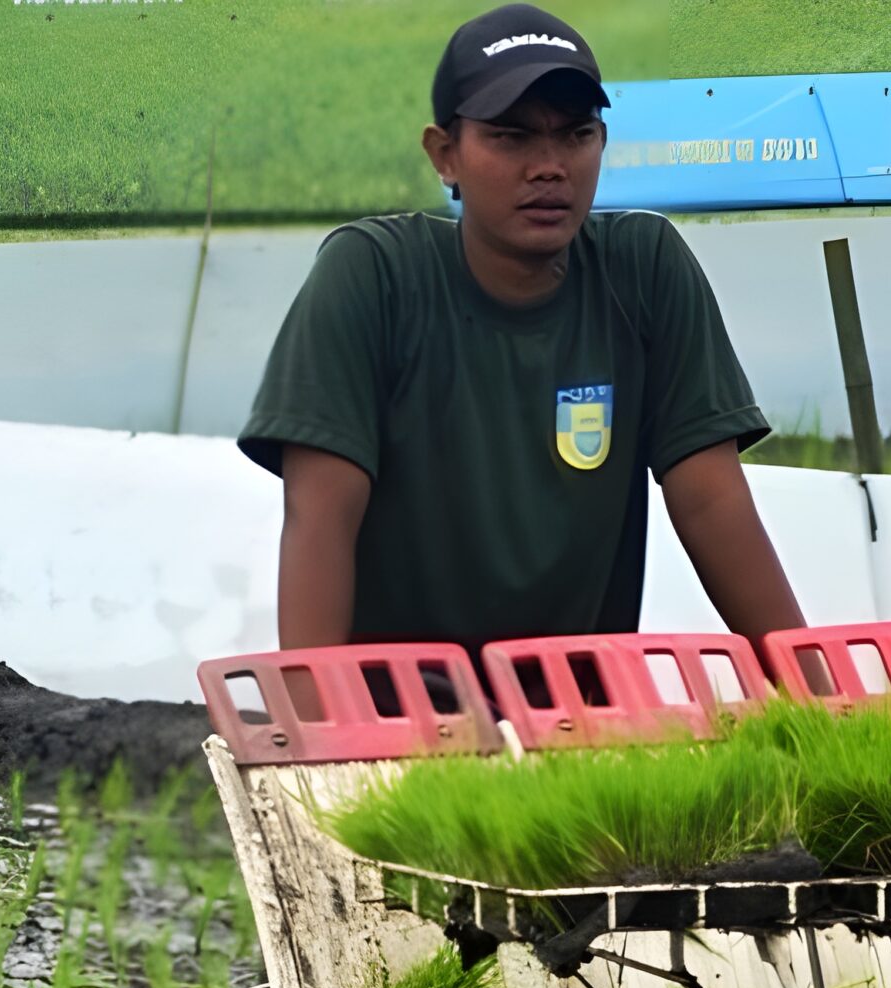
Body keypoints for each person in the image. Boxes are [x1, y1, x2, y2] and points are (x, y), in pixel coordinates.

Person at [237, 3, 809, 668]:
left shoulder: (643, 268)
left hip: (579, 717)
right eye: (510, 138)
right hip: (403, 711)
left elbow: (711, 500)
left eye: (575, 135)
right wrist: (323, 735)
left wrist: (818, 698)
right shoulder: (374, 277)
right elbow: (319, 518)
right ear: (444, 154)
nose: (549, 166)